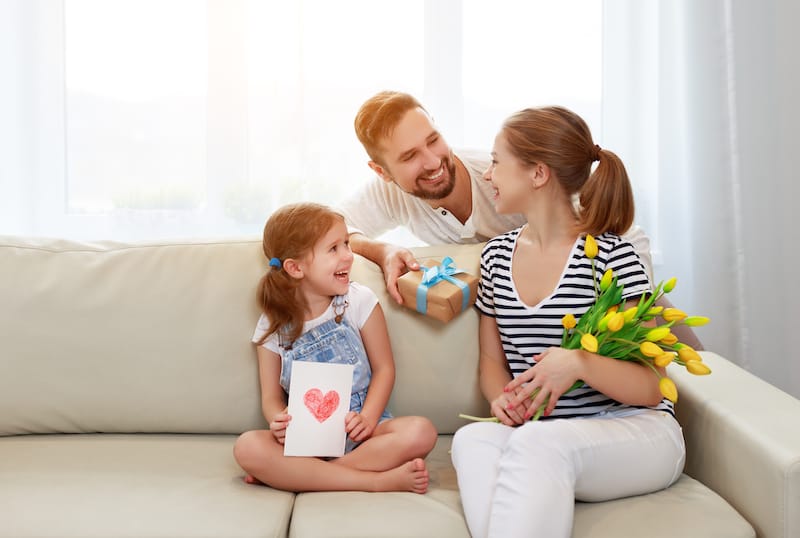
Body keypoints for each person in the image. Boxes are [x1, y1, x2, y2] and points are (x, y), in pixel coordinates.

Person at [449, 107, 686, 538]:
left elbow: (653, 388)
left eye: (498, 161)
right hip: (546, 438)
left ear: (538, 174)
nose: (488, 176)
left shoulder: (612, 257)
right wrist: (501, 400)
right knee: (473, 440)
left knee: (537, 444)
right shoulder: (496, 257)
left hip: (635, 431)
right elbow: (491, 362)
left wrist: (578, 363)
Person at [338, 90, 703, 349]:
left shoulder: (508, 181)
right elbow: (333, 225)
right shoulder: (389, 194)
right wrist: (382, 250)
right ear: (381, 171)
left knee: (690, 368)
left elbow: (623, 240)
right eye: (410, 156)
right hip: (529, 331)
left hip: (593, 309)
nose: (432, 161)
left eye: (434, 140)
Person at [233, 202, 437, 494]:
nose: (348, 256)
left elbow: (385, 369)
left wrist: (367, 418)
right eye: (334, 249)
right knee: (248, 447)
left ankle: (302, 477)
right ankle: (375, 481)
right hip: (307, 441)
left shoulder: (359, 301)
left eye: (346, 244)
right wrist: (277, 419)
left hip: (364, 433)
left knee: (420, 432)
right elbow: (270, 397)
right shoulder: (273, 325)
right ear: (295, 267)